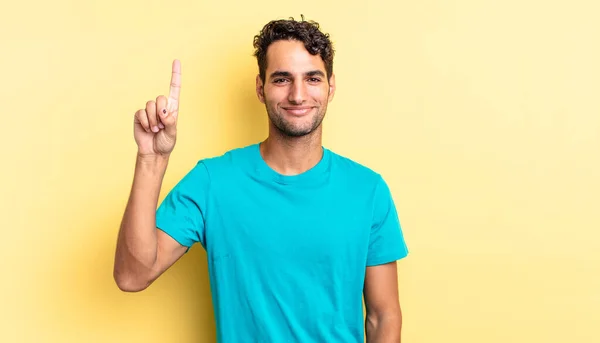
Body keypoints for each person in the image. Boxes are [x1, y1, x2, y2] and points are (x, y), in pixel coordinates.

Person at [113, 16, 409, 343]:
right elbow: (132, 275)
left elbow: (383, 317)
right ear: (260, 87)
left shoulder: (367, 191)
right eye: (282, 79)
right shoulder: (213, 182)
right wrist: (151, 159)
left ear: (331, 87)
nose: (298, 95)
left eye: (312, 78)